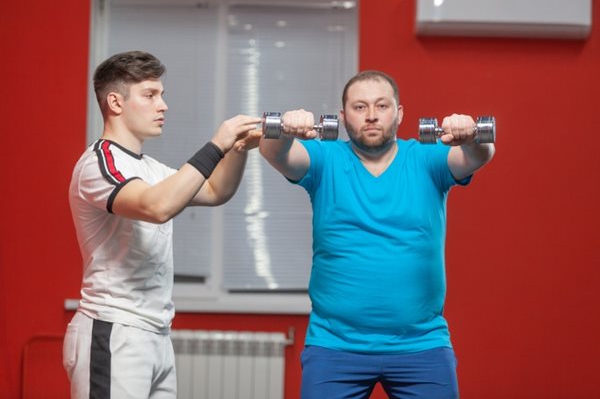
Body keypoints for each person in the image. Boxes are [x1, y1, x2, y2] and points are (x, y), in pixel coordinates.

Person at [259, 70, 495, 399]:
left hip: (420, 343)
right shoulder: (325, 158)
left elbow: (477, 156)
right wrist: (284, 128)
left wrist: (471, 136)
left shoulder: (427, 159)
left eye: (381, 105)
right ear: (342, 117)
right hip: (335, 343)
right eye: (359, 107)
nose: (371, 115)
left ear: (399, 113)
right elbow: (274, 152)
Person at [63, 50, 261, 398]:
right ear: (115, 102)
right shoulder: (99, 164)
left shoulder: (152, 168)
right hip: (114, 328)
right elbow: (157, 206)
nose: (163, 105)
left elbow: (216, 190)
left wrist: (240, 148)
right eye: (150, 95)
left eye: (162, 94)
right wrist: (218, 144)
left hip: (156, 332)